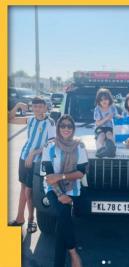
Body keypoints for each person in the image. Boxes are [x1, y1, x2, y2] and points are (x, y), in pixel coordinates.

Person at [41, 115, 86, 267]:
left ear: (73, 129)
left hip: (73, 190)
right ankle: (74, 255)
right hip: (52, 190)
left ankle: (62, 262)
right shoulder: (50, 146)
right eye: (63, 126)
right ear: (58, 128)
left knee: (62, 219)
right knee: (63, 213)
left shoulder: (79, 146)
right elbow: (48, 177)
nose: (66, 129)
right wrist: (60, 195)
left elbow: (81, 173)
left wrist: (61, 176)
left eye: (69, 126)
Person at [8, 97, 56, 233]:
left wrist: (34, 153)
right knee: (24, 189)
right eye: (35, 106)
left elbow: (51, 144)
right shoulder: (30, 120)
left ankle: (30, 220)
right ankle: (19, 218)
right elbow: (9, 119)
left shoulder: (49, 122)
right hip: (24, 158)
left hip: (36, 161)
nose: (37, 109)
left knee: (30, 192)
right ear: (32, 107)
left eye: (40, 106)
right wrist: (17, 105)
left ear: (45, 108)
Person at [93, 88, 120, 158]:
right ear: (98, 101)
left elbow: (116, 116)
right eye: (101, 100)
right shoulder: (97, 109)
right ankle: (100, 150)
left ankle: (112, 150)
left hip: (109, 127)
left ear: (109, 99)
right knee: (101, 135)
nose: (103, 101)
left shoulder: (113, 108)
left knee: (109, 134)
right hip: (100, 127)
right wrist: (106, 118)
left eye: (105, 99)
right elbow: (97, 123)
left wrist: (119, 117)